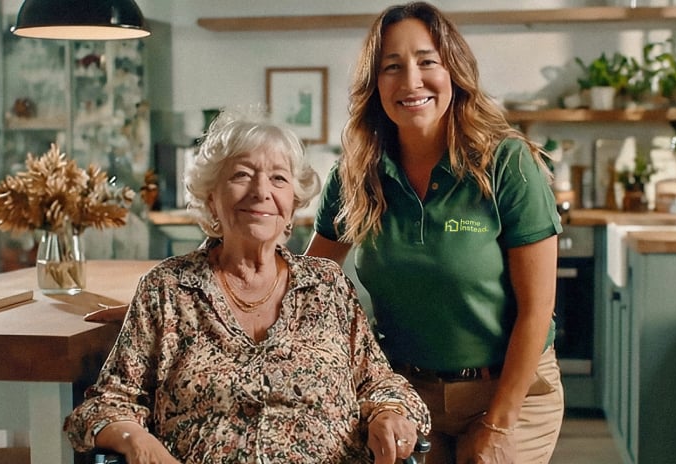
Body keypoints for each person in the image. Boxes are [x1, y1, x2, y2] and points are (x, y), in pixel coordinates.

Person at [65, 110, 430, 464]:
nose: (261, 192)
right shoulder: (166, 289)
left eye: (278, 179)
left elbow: (380, 383)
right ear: (211, 197)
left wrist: (390, 414)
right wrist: (137, 441)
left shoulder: (328, 286)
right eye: (241, 175)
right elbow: (105, 403)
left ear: (292, 206)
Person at [304, 3, 565, 463]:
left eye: (427, 61)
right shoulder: (356, 173)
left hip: (509, 391)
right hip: (406, 396)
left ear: (454, 72)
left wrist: (497, 424)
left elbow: (537, 311)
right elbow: (309, 286)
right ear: (375, 84)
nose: (411, 81)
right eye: (392, 67)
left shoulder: (506, 162)